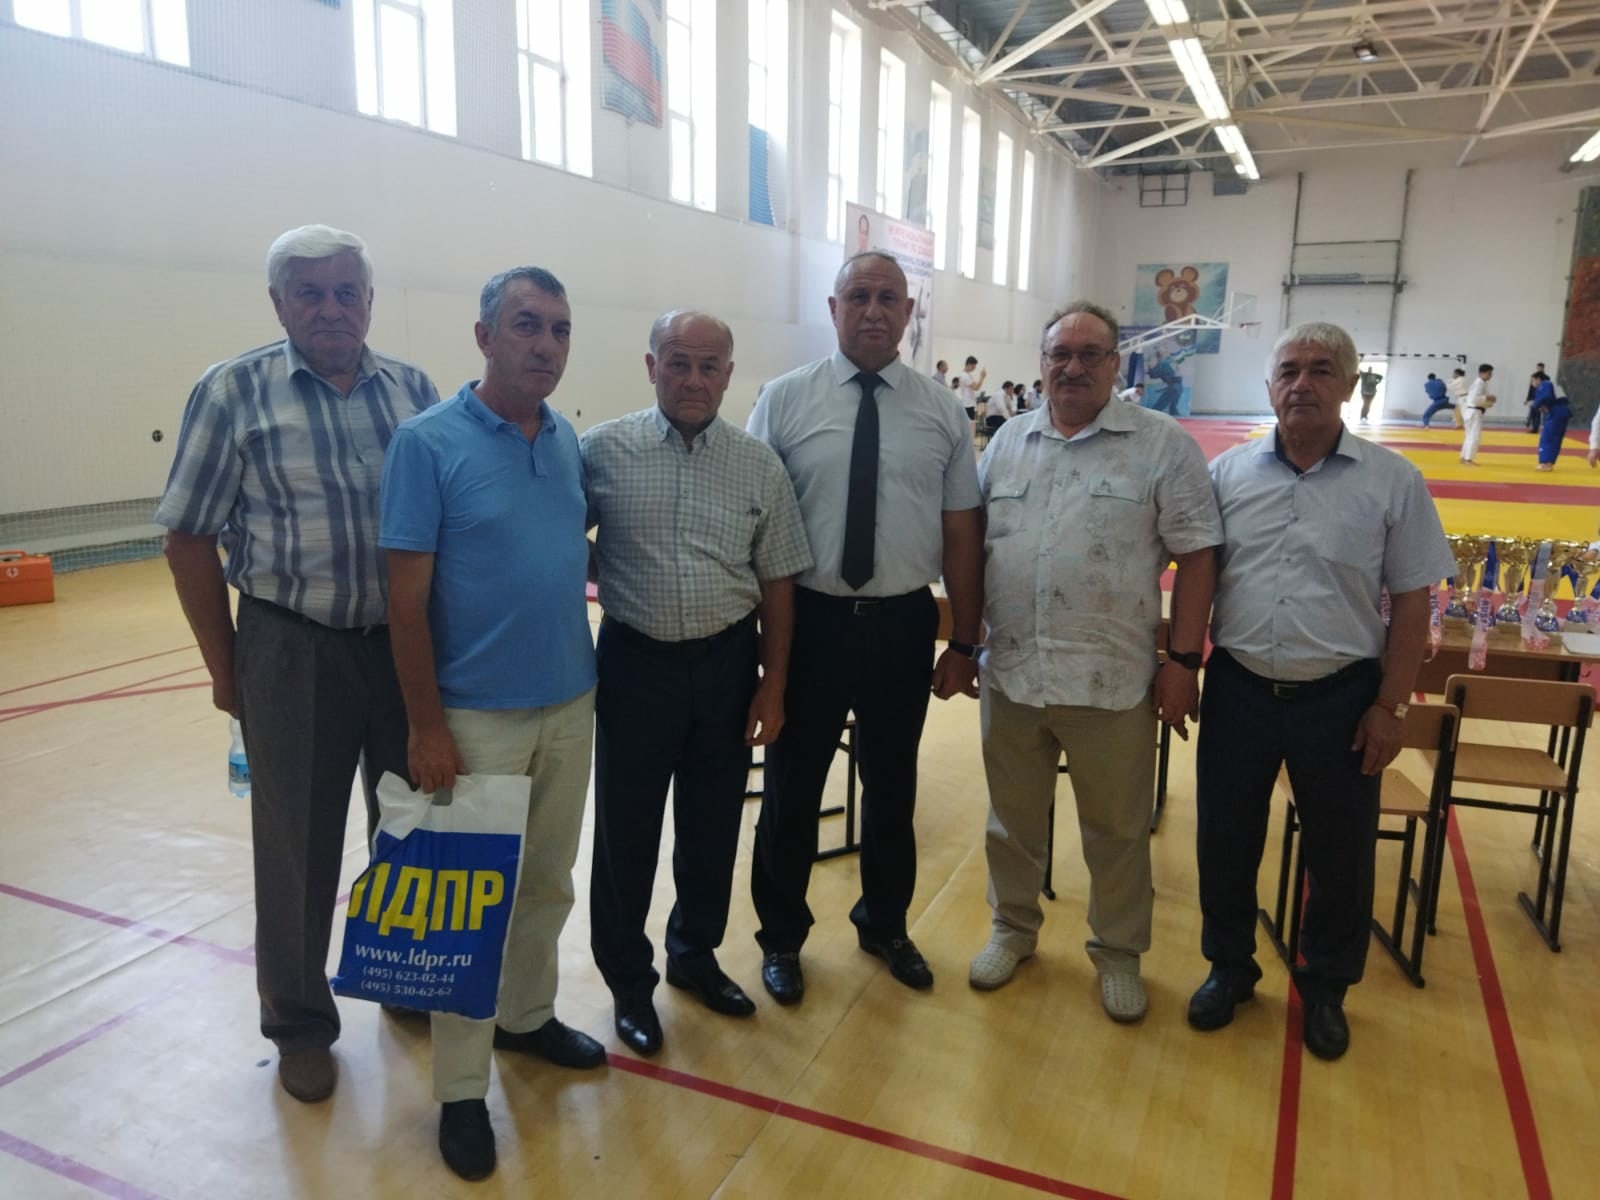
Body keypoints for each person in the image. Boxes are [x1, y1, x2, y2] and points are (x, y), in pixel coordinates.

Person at [156, 225, 439, 1105]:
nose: (330, 309)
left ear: (369, 300)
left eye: (346, 292)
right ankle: (301, 1025)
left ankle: (403, 977)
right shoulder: (231, 392)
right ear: (278, 303)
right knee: (296, 849)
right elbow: (188, 537)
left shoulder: (414, 392)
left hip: (401, 648)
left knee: (411, 829)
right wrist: (227, 668)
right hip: (291, 645)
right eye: (309, 293)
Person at [380, 266, 604, 1180]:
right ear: (483, 336)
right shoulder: (426, 443)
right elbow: (404, 603)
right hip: (474, 719)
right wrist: (426, 725)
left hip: (571, 702)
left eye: (559, 329)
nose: (545, 345)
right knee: (466, 908)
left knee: (547, 884)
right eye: (526, 325)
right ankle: (462, 1092)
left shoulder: (566, 439)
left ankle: (526, 1017)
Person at [1188, 321, 1454, 1062]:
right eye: (1289, 370)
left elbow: (1413, 603)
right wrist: (1178, 663)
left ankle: (1327, 988)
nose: (1302, 383)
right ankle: (1229, 968)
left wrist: (1391, 706)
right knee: (1224, 841)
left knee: (1341, 855)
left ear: (1349, 384)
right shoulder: (1226, 475)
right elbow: (1199, 578)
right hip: (1239, 687)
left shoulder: (1392, 481)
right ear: (1269, 385)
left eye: (1321, 369)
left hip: (1342, 697)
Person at [969, 301, 1222, 1023]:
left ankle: (1118, 953)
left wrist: (1184, 661)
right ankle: (1012, 930)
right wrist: (962, 643)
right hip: (1014, 672)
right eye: (1060, 354)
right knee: (1011, 823)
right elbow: (975, 545)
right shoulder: (1007, 442)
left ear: (1116, 365)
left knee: (1116, 832)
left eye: (1090, 355)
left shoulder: (1162, 446)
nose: (1073, 367)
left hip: (1111, 682)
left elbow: (1198, 557)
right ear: (1042, 364)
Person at [747, 251, 984, 1004]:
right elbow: (755, 525)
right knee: (792, 787)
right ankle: (781, 936)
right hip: (809, 622)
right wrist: (762, 649)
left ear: (909, 312)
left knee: (891, 784)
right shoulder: (783, 401)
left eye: (888, 298)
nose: (874, 310)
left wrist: (965, 642)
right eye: (858, 296)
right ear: (833, 307)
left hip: (901, 624)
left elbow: (962, 534)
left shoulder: (943, 412)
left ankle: (885, 922)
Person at [582, 311, 812, 1058]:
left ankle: (694, 955)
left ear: (729, 375)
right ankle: (628, 981)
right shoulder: (601, 451)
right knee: (626, 833)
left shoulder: (758, 464)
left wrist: (772, 686)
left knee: (712, 827)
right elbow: (555, 539)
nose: (693, 379)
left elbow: (778, 581)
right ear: (651, 366)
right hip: (634, 665)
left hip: (725, 667)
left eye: (710, 366)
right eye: (678, 363)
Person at [1532, 374, 1570, 470]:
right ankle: (1550, 463)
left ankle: (1545, 463)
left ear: (1538, 379)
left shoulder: (1545, 384)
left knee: (1547, 438)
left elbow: (1546, 396)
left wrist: (1536, 404)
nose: (1532, 383)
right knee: (1556, 439)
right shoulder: (1555, 385)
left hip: (1555, 413)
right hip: (1563, 412)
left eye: (1533, 380)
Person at [1460, 363, 1494, 464]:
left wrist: (1489, 401)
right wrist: (1488, 398)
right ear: (1482, 373)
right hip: (1474, 412)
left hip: (1472, 412)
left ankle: (1464, 456)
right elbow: (1475, 400)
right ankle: (1468, 459)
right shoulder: (1479, 383)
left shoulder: (1482, 383)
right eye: (1489, 373)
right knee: (1474, 436)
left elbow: (1477, 399)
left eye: (1491, 373)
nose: (1490, 376)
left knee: (1469, 436)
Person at [955, 355, 987, 421]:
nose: (974, 368)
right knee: (970, 424)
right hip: (967, 404)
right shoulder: (964, 376)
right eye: (973, 366)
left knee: (971, 423)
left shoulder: (968, 375)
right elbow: (976, 387)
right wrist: (982, 377)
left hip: (969, 403)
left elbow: (976, 385)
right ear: (969, 364)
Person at [1525, 361, 1547, 432]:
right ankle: (1532, 425)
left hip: (1541, 398)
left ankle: (1537, 426)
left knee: (1538, 413)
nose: (1538, 369)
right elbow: (1530, 389)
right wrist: (1528, 399)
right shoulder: (1534, 376)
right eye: (1537, 368)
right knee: (1533, 412)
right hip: (1534, 397)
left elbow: (1546, 391)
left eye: (1540, 368)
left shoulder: (1546, 378)